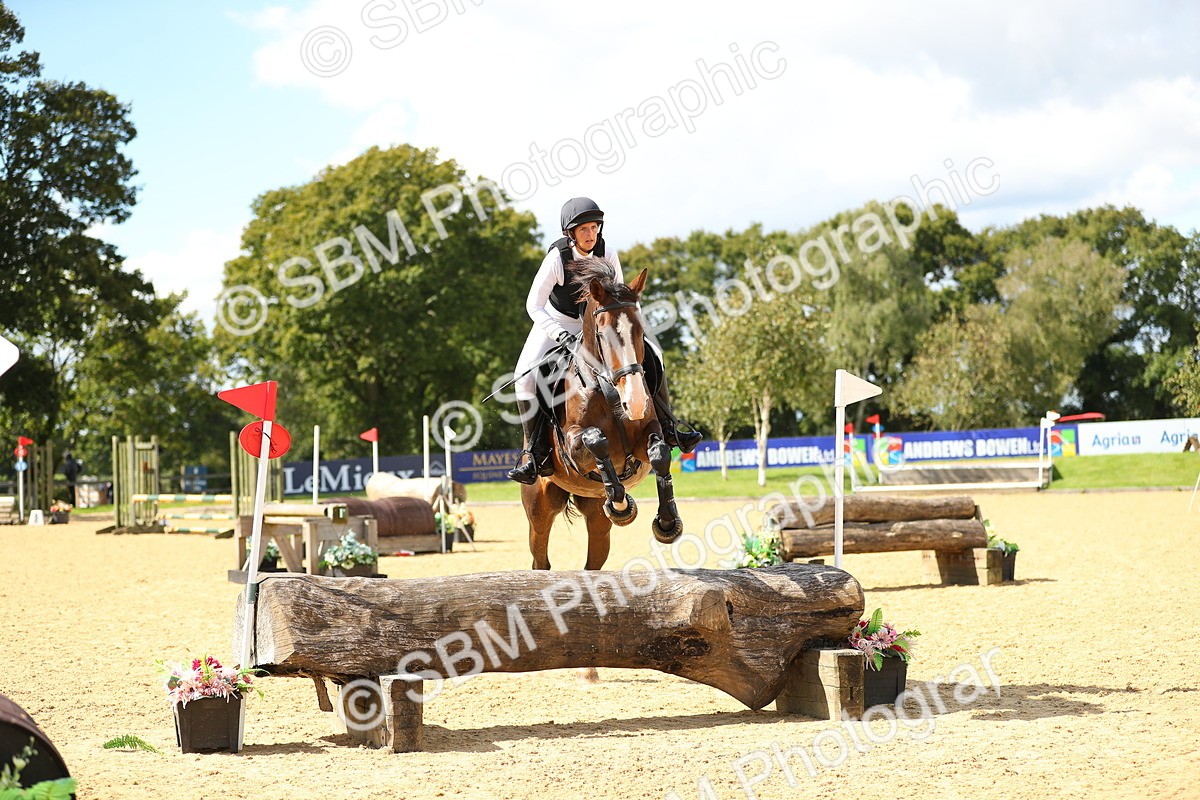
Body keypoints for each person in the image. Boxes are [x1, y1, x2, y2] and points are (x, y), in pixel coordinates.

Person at [507, 197, 702, 484]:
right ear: (570, 233)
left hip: (601, 323)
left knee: (654, 355)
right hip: (558, 321)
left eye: (594, 227)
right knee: (522, 377)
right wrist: (557, 332)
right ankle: (533, 453)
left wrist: (629, 328)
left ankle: (669, 427)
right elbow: (533, 306)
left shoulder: (607, 252)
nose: (591, 234)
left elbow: (621, 295)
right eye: (584, 229)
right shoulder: (556, 260)